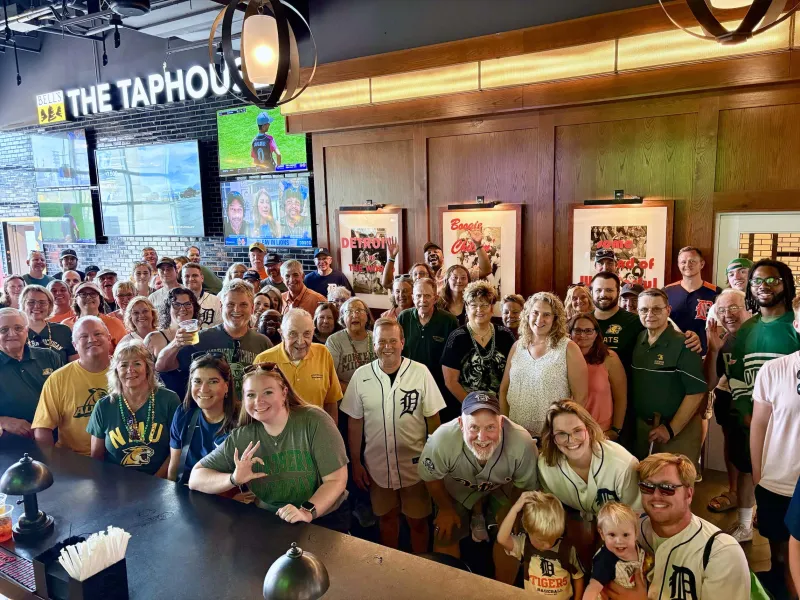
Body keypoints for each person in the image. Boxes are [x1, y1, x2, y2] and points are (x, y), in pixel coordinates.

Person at [189, 363, 350, 532]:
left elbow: (336, 480)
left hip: (324, 520)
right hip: (271, 521)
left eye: (268, 392)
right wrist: (233, 479)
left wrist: (305, 512)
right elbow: (196, 478)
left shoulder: (314, 421)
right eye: (251, 395)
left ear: (284, 393)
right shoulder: (242, 436)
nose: (258, 401)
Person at [342, 318, 445, 552]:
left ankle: (421, 567)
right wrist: (356, 462)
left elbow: (433, 420)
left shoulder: (420, 372)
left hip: (416, 466)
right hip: (377, 466)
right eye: (381, 342)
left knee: (418, 521)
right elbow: (355, 422)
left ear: (402, 342)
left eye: (392, 341)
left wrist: (434, 461)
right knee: (386, 518)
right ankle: (390, 568)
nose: (387, 346)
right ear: (373, 345)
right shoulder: (361, 376)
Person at [418, 391, 539, 580]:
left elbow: (525, 484)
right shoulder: (442, 439)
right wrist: (445, 509)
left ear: (501, 423)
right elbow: (431, 477)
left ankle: (502, 592)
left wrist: (511, 509)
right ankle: (445, 590)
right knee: (444, 531)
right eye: (473, 427)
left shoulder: (521, 442)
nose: (482, 437)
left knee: (512, 532)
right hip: (457, 488)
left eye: (490, 427)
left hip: (502, 486)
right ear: (460, 424)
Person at [608, 453, 751, 600]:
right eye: (647, 487)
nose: (656, 495)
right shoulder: (627, 533)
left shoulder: (721, 552)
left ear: (688, 494)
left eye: (667, 488)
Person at [748, 294, 800, 595]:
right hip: (779, 483)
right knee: (782, 559)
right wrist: (759, 479)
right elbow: (759, 426)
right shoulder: (774, 370)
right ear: (796, 324)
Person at [631, 289, 707, 467]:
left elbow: (696, 392)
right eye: (644, 310)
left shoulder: (684, 344)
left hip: (677, 432)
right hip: (644, 429)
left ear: (668, 310)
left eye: (657, 309)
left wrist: (671, 429)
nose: (650, 314)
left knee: (676, 486)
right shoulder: (638, 340)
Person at [161, 280, 272, 398]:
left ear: (252, 307)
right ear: (221, 306)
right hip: (211, 412)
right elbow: (163, 367)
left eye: (243, 305)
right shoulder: (201, 338)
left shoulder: (263, 343)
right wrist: (175, 344)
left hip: (249, 412)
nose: (236, 310)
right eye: (230, 304)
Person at [703, 289, 755, 541]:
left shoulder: (764, 333)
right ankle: (745, 525)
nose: (728, 315)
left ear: (748, 308)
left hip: (772, 417)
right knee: (744, 467)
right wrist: (713, 351)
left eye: (733, 308)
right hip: (739, 414)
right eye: (722, 310)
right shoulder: (725, 341)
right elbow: (710, 383)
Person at [500, 292, 588, 437]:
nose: (539, 319)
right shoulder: (518, 346)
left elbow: (580, 397)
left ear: (555, 319)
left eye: (546, 314)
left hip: (552, 435)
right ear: (527, 314)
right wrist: (506, 426)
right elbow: (504, 390)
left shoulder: (568, 348)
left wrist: (564, 432)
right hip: (516, 434)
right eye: (535, 312)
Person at [87, 341, 180, 476]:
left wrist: (156, 482)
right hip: (115, 485)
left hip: (160, 483)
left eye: (137, 363)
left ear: (148, 368)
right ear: (116, 371)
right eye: (124, 365)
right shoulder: (104, 406)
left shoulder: (169, 400)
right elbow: (96, 457)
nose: (130, 369)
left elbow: (177, 451)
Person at [538, 401, 641, 519]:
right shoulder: (545, 466)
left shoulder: (623, 464)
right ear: (553, 439)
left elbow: (637, 516)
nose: (571, 440)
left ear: (589, 430)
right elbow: (550, 513)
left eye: (577, 431)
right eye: (561, 433)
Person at [32, 316, 110, 455]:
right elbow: (42, 428)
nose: (92, 339)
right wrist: (51, 464)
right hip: (76, 461)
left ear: (109, 338)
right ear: (74, 345)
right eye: (83, 336)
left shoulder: (126, 373)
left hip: (120, 461)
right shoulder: (58, 379)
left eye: (98, 334)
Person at [254, 308, 342, 424]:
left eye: (307, 334)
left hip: (315, 433)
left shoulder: (323, 353)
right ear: (281, 334)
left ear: (313, 332)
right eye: (293, 334)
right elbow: (256, 407)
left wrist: (331, 436)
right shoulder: (263, 360)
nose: (300, 342)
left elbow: (330, 402)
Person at [497, 491, 585, 598]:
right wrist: (516, 508)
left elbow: (578, 577)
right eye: (541, 541)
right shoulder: (524, 544)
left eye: (552, 539)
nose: (547, 545)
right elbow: (502, 539)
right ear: (527, 529)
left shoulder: (567, 549)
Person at [167, 353, 239, 485]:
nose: (204, 389)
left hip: (227, 494)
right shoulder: (184, 413)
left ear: (226, 386)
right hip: (187, 490)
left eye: (213, 381)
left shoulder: (242, 420)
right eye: (197, 381)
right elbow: (174, 468)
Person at [442, 281, 516, 405]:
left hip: (501, 405)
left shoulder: (506, 335)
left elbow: (514, 374)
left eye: (484, 305)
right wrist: (474, 407)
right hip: (467, 407)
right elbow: (450, 381)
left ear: (492, 308)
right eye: (473, 305)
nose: (479, 310)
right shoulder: (457, 337)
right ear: (466, 308)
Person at [397, 278, 459, 419]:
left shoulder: (449, 321)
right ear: (413, 297)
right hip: (409, 385)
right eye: (418, 295)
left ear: (435, 298)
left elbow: (455, 359)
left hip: (440, 388)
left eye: (427, 296)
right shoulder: (403, 318)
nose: (422, 300)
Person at [0, 308, 62, 437]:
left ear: (26, 331)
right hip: (13, 442)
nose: (12, 334)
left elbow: (66, 395)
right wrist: (3, 421)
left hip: (56, 435)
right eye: (3, 330)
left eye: (18, 328)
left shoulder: (49, 356)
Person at [568, 313, 626, 436]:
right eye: (577, 330)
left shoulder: (609, 358)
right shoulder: (562, 359)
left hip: (602, 431)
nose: (582, 335)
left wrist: (616, 430)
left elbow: (620, 398)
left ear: (596, 334)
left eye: (588, 331)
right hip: (570, 430)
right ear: (570, 333)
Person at [664, 246, 721, 354]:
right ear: (678, 265)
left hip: (707, 356)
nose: (687, 265)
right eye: (683, 262)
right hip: (673, 354)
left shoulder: (716, 293)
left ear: (702, 264)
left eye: (692, 261)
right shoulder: (666, 292)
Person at [583, 502, 645, 599]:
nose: (619, 541)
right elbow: (593, 587)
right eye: (612, 535)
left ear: (636, 533)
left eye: (625, 535)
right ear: (602, 534)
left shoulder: (640, 549)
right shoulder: (605, 560)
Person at [325, 297, 374, 392]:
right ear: (343, 317)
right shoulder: (334, 341)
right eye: (349, 311)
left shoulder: (376, 337)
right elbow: (329, 377)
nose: (355, 315)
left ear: (367, 316)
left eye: (359, 311)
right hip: (345, 397)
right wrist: (356, 391)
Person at [20, 285, 76, 363]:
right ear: (23, 304)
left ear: (50, 306)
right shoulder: (17, 333)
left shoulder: (63, 330)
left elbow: (74, 365)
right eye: (31, 302)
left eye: (42, 302)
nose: (36, 306)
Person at [62, 282, 127, 350]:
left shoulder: (114, 323)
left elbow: (126, 353)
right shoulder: (66, 325)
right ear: (76, 300)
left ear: (100, 299)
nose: (88, 297)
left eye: (93, 294)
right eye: (83, 294)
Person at [706, 258, 754, 324]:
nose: (737, 277)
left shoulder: (763, 304)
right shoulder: (717, 308)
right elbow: (714, 333)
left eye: (742, 272)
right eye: (731, 274)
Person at [182, 263, 222, 330]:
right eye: (187, 276)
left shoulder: (215, 300)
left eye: (195, 275)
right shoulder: (177, 303)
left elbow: (220, 327)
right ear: (182, 279)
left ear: (202, 278)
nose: (191, 279)